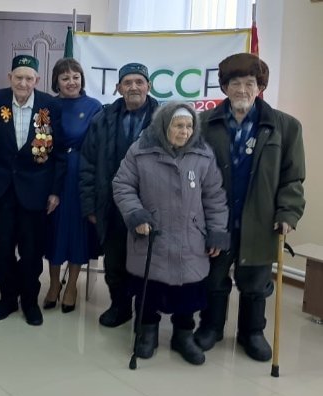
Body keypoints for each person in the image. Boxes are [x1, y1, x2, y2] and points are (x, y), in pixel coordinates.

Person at [194, 53, 305, 362]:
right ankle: (211, 327)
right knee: (214, 278)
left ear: (260, 87)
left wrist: (288, 212)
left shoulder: (285, 126)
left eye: (249, 83)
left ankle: (252, 332)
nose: (242, 89)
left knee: (256, 281)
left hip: (260, 219)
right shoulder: (203, 124)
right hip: (217, 219)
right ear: (224, 87)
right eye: (235, 83)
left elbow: (293, 177)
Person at [112, 102, 229, 365]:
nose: (185, 131)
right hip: (152, 236)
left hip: (191, 238)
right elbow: (122, 185)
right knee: (149, 290)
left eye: (189, 126)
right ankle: (146, 333)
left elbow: (215, 197)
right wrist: (136, 214)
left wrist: (217, 231)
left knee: (188, 292)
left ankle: (183, 336)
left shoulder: (203, 154)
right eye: (178, 125)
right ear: (164, 125)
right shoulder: (140, 150)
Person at [0, 55, 64, 326]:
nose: (23, 83)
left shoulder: (50, 106)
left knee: (31, 251)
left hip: (36, 190)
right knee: (2, 248)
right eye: (18, 77)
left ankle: (29, 301)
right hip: (2, 188)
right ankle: (7, 299)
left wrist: (55, 191)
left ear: (37, 80)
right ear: (10, 77)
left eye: (29, 78)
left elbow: (59, 153)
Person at [79, 62, 160, 328]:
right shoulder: (102, 120)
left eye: (139, 82)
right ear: (118, 88)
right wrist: (90, 206)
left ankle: (146, 314)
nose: (134, 87)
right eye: (127, 82)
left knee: (147, 262)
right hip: (111, 206)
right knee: (114, 261)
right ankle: (120, 306)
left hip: (150, 207)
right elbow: (88, 164)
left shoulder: (165, 119)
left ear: (148, 86)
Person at [43, 57, 103, 313]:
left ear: (82, 79)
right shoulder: (47, 105)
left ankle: (72, 286)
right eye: (65, 77)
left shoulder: (94, 106)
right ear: (56, 81)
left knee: (77, 231)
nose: (71, 82)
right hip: (52, 174)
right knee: (54, 230)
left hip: (82, 174)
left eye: (75, 77)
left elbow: (100, 145)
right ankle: (54, 283)